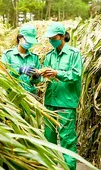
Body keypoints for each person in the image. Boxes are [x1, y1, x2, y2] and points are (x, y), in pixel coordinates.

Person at [41, 22, 82, 170]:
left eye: (53, 37)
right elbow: (43, 77)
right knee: (48, 138)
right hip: (50, 102)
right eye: (49, 38)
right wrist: (37, 74)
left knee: (67, 140)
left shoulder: (74, 54)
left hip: (66, 103)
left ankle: (69, 168)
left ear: (62, 36)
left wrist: (58, 73)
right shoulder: (49, 56)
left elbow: (76, 75)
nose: (51, 40)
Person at [1, 25, 41, 95]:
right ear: (19, 37)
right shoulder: (8, 55)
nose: (29, 43)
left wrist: (36, 77)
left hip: (31, 95)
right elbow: (1, 75)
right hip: (13, 94)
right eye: (27, 40)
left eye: (31, 41)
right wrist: (18, 70)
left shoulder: (34, 57)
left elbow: (37, 81)